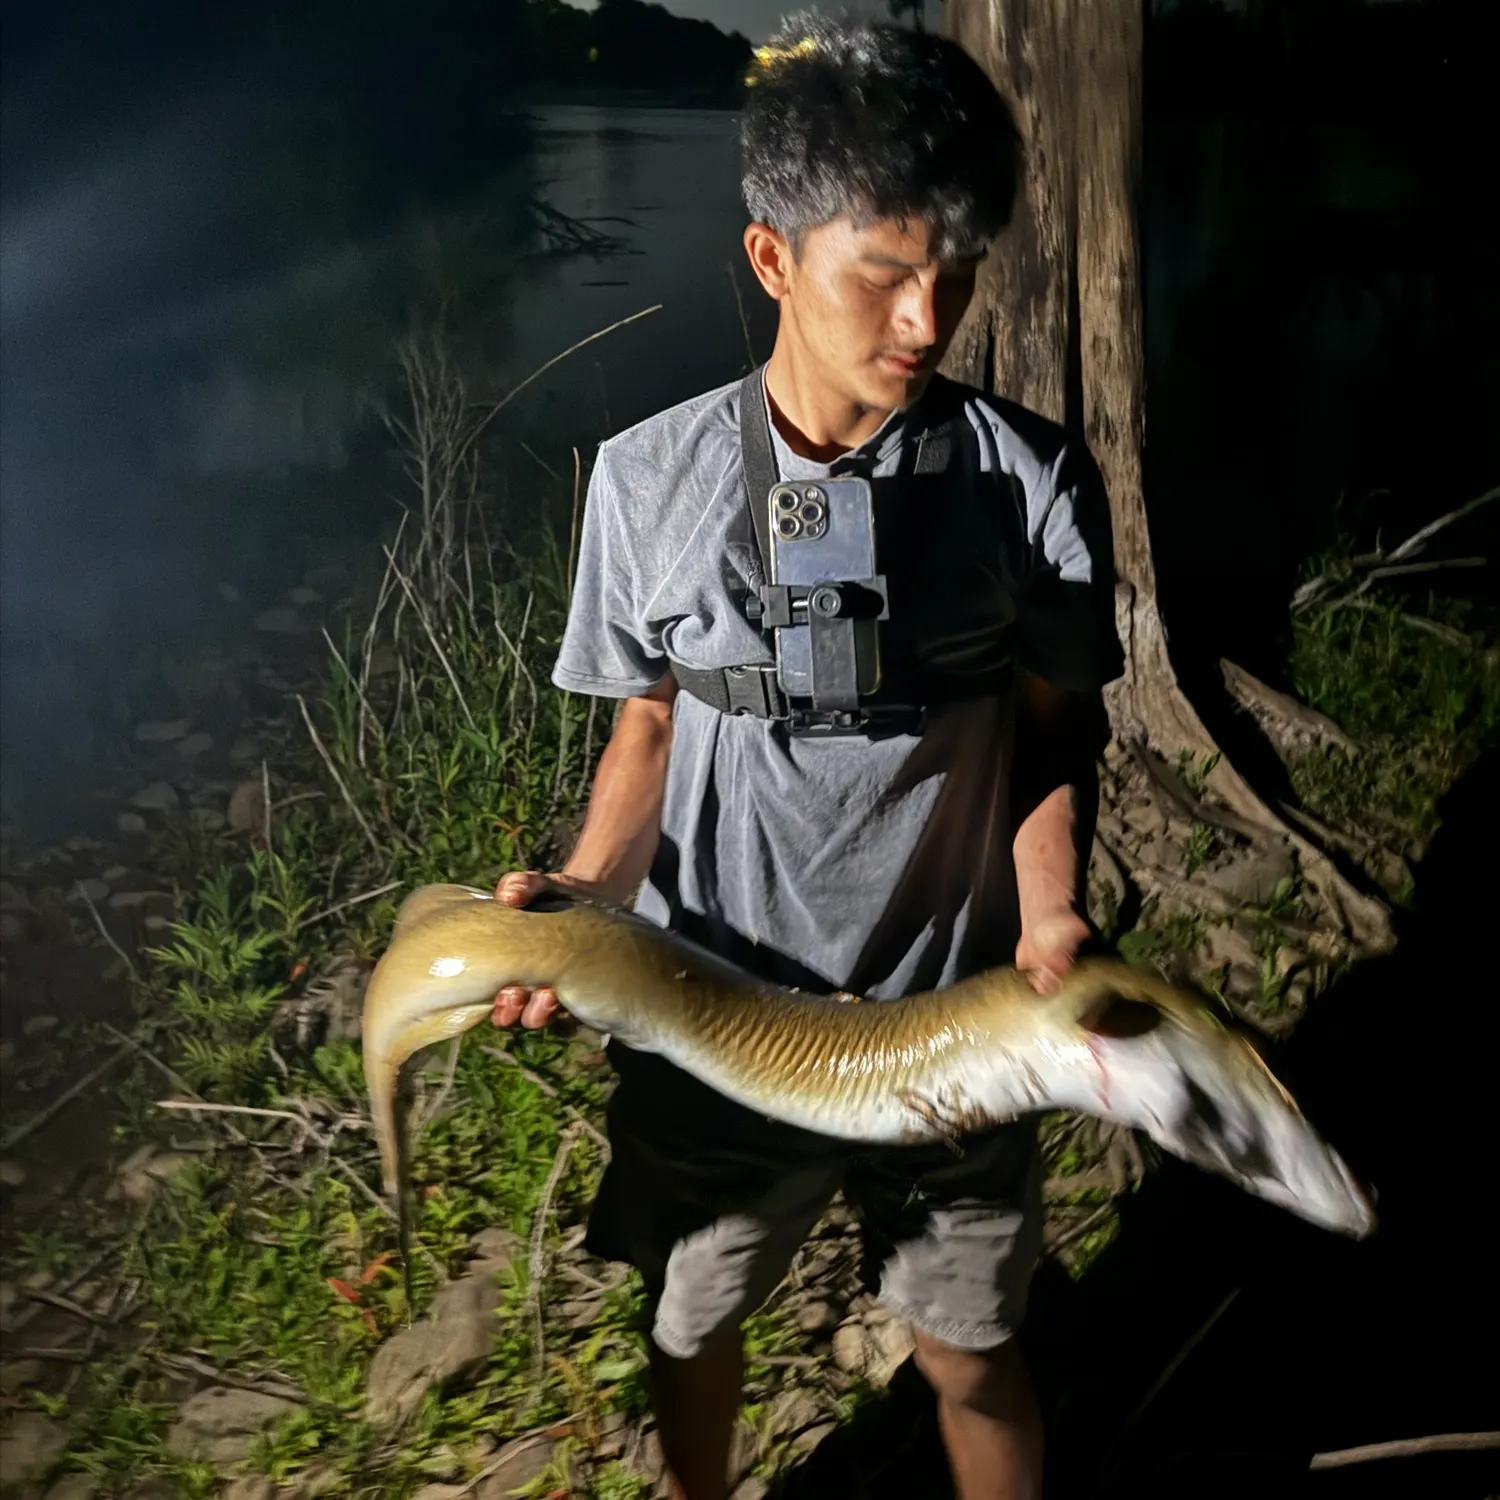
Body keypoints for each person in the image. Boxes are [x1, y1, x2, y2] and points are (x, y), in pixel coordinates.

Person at [490, 13, 1122, 1500]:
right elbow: (646, 721)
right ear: (772, 259)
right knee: (695, 1317)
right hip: (715, 1009)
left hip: (948, 1024)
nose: (928, 318)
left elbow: (1050, 725)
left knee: (971, 1349)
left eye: (954, 273)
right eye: (885, 273)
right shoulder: (648, 480)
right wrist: (584, 892)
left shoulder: (1029, 484)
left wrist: (1048, 920)